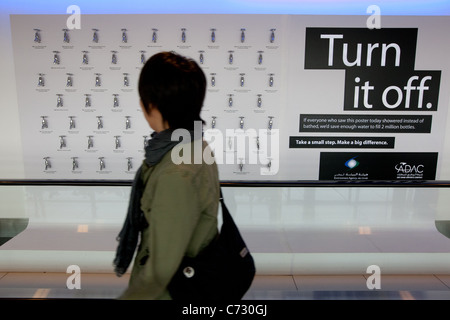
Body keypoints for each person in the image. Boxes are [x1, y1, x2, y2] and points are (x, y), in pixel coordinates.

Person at [113, 51, 220, 300]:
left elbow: (160, 271)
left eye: (144, 99)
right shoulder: (194, 144)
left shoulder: (176, 173)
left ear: (152, 105)